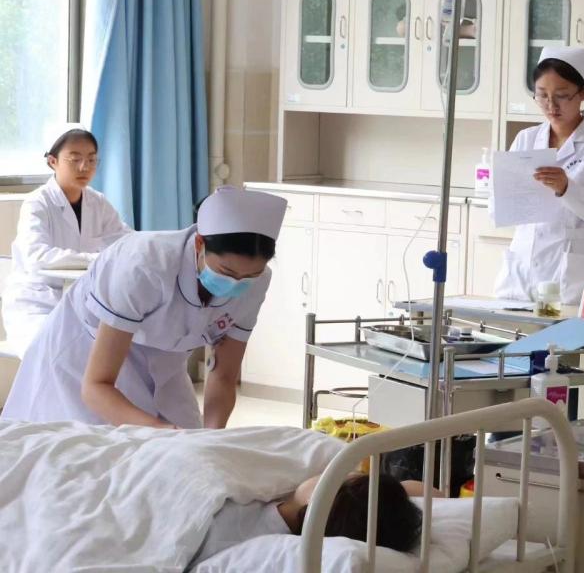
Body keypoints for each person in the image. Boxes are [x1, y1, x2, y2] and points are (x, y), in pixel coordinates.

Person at [1, 186, 287, 430]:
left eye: (249, 276)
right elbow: (97, 386)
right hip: (84, 357)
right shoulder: (145, 264)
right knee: (99, 457)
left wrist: (213, 438)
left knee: (188, 447)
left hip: (165, 362)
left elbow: (224, 375)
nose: (236, 283)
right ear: (200, 243)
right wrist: (159, 432)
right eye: (226, 272)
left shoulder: (257, 282)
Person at [493, 46, 584, 305]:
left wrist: (568, 189)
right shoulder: (526, 139)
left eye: (562, 96)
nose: (551, 105)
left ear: (583, 93)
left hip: (569, 279)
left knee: (563, 332)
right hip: (520, 275)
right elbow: (499, 208)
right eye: (542, 95)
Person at [1, 125, 130, 357]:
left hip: (84, 304)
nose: (84, 167)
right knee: (55, 353)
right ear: (53, 161)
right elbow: (37, 257)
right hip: (37, 304)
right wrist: (96, 259)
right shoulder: (37, 203)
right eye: (75, 159)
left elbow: (127, 244)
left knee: (120, 350)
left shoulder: (98, 203)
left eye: (91, 159)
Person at [191, 472, 431, 565]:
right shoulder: (291, 508)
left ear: (320, 499)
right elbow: (427, 491)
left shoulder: (231, 530)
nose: (330, 469)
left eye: (343, 476)